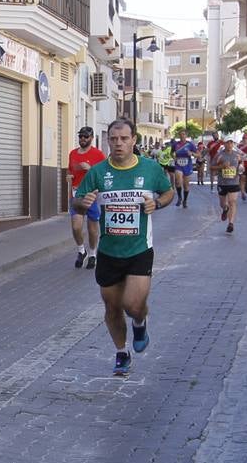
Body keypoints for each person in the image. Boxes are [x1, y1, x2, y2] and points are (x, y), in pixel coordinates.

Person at [74, 118, 174, 377]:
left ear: (134, 140)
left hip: (140, 248)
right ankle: (121, 352)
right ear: (108, 141)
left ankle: (140, 322)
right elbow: (76, 202)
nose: (118, 144)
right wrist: (82, 204)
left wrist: (158, 204)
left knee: (133, 305)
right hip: (109, 252)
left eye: (124, 139)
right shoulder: (97, 172)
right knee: (112, 307)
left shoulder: (150, 169)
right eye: (114, 139)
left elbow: (168, 192)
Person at [67, 126, 105, 269]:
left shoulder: (98, 155)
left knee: (92, 228)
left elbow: (102, 176)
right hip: (76, 195)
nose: (83, 139)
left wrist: (90, 169)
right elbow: (70, 170)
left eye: (86, 137)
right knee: (76, 227)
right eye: (81, 136)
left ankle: (93, 254)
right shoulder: (72, 154)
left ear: (91, 138)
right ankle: (81, 250)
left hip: (92, 195)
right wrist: (69, 176)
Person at [214, 138, 243, 233]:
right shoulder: (219, 155)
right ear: (224, 144)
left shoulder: (237, 155)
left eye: (231, 142)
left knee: (232, 201)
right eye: (228, 142)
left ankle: (231, 223)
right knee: (223, 204)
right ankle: (225, 209)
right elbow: (211, 167)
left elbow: (241, 165)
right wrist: (221, 167)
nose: (230, 144)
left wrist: (241, 167)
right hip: (222, 183)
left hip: (234, 182)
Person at [170, 128, 197, 207]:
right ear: (179, 135)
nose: (182, 136)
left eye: (184, 134)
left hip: (187, 165)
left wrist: (191, 153)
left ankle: (185, 200)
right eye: (181, 134)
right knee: (178, 181)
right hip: (178, 165)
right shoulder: (175, 144)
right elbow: (171, 153)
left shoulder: (190, 144)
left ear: (186, 135)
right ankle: (179, 198)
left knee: (186, 185)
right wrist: (174, 157)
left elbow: (198, 154)